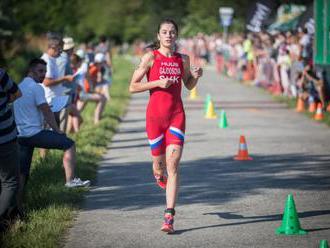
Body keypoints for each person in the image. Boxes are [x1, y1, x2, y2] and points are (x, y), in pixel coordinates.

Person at [129, 19, 203, 233]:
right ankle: (158, 173)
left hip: (176, 116)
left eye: (172, 32)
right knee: (160, 167)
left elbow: (188, 84)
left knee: (173, 165)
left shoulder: (183, 59)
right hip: (155, 119)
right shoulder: (150, 57)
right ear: (158, 35)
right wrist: (157, 83)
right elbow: (132, 87)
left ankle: (169, 216)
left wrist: (195, 77)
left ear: (176, 35)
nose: (168, 35)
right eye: (164, 32)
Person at [13, 59, 91, 211]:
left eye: (45, 71)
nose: (44, 75)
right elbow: (47, 111)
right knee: (69, 144)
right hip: (34, 134)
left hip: (20, 136)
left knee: (22, 174)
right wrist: (57, 130)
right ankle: (70, 180)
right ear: (31, 71)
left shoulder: (19, 86)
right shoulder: (36, 88)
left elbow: (27, 110)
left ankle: (17, 207)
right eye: (41, 71)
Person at [0, 69, 21, 232]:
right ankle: (3, 221)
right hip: (5, 138)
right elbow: (17, 93)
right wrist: (5, 99)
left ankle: (12, 218)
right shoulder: (0, 73)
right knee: (10, 181)